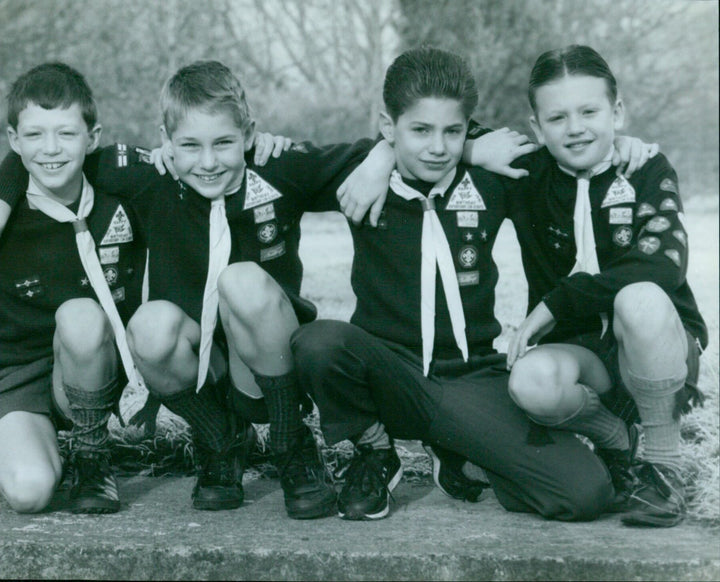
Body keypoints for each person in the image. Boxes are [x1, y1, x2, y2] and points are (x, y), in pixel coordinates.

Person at [0, 60, 385, 520]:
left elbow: (407, 139)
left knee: (241, 280)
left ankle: (292, 444)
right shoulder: (151, 176)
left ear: (250, 134)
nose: (207, 161)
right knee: (150, 325)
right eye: (189, 146)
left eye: (224, 143)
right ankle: (219, 442)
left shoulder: (280, 166)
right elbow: (48, 153)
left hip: (267, 359)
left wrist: (379, 160)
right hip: (198, 360)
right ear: (165, 140)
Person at [291, 46, 620, 522]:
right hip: (389, 373)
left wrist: (629, 150)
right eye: (419, 131)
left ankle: (460, 453)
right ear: (388, 126)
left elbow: (575, 148)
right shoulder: (360, 175)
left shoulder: (491, 175)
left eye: (454, 132)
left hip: (470, 378)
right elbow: (268, 166)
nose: (437, 147)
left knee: (584, 494)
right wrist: (379, 155)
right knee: (318, 343)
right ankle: (375, 451)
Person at [504, 45, 707, 528]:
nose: (575, 128)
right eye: (557, 117)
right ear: (536, 128)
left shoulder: (647, 169)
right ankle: (619, 440)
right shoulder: (526, 175)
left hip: (656, 343)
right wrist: (385, 155)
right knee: (529, 382)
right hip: (583, 357)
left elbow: (660, 268)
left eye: (589, 112)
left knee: (638, 297)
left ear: (617, 111)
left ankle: (663, 465)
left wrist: (556, 302)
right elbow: (438, 143)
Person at [0, 62, 148, 514]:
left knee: (80, 312)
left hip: (89, 360)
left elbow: (195, 159)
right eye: (34, 136)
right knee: (30, 493)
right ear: (14, 142)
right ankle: (23, 443)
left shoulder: (123, 194)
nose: (51, 149)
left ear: (92, 138)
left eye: (66, 134)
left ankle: (92, 457)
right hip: (15, 376)